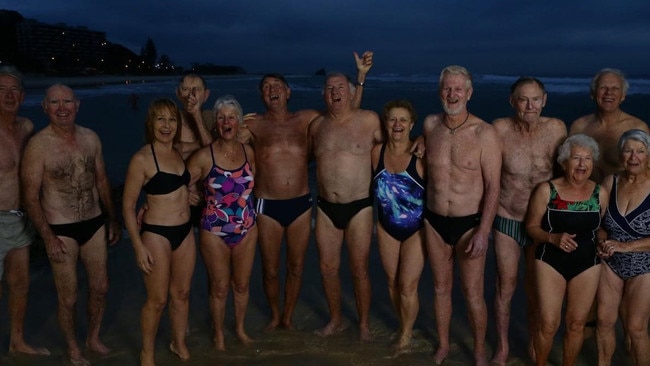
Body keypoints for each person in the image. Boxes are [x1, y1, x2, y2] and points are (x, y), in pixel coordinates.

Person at [241, 51, 373, 332]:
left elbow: (347, 117)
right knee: (272, 269)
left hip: (303, 203)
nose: (272, 90)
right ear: (261, 95)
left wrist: (360, 78)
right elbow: (224, 144)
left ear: (288, 92)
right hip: (269, 204)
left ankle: (293, 318)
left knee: (302, 268)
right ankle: (278, 315)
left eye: (277, 86)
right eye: (266, 87)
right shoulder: (252, 124)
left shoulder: (308, 119)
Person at [21, 84, 120, 366]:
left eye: (67, 101)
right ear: (45, 107)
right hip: (60, 229)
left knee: (100, 287)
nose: (62, 107)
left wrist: (112, 219)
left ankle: (92, 337)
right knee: (69, 297)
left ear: (77, 104)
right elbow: (30, 197)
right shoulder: (38, 146)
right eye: (55, 102)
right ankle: (73, 348)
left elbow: (101, 180)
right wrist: (48, 237)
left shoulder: (91, 138)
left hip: (94, 223)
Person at [422, 65, 501, 366]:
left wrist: (484, 231)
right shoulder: (430, 125)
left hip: (470, 224)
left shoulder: (485, 133)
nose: (452, 94)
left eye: (458, 89)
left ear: (469, 93)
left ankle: (479, 351)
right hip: (434, 219)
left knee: (472, 294)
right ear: (440, 91)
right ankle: (443, 346)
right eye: (447, 88)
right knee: (441, 288)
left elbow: (494, 185)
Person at [490, 77, 567, 365]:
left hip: (543, 224)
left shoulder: (557, 128)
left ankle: (536, 345)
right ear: (513, 102)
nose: (530, 105)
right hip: (507, 217)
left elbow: (568, 173)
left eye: (535, 99)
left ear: (544, 100)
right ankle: (502, 346)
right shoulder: (499, 129)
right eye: (523, 99)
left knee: (537, 288)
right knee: (505, 285)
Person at [308, 72, 383, 342]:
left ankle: (363, 324)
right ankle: (336, 320)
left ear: (352, 93)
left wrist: (420, 143)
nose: (335, 92)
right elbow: (297, 158)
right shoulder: (317, 126)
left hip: (359, 206)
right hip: (326, 208)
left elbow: (398, 142)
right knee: (327, 268)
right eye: (329, 88)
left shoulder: (369, 120)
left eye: (340, 87)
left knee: (359, 269)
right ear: (323, 95)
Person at [122, 99, 196, 365]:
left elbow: (210, 145)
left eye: (172, 120)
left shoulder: (180, 151)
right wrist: (137, 246)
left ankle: (178, 343)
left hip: (185, 232)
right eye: (160, 119)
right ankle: (147, 353)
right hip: (156, 234)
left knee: (182, 294)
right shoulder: (141, 158)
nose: (167, 125)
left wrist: (191, 191)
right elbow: (128, 207)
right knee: (157, 300)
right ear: (150, 123)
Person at [526, 134, 608, 366]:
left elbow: (601, 229)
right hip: (550, 261)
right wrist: (552, 237)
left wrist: (604, 242)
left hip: (587, 263)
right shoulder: (547, 190)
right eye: (576, 158)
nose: (582, 164)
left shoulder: (599, 193)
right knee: (548, 323)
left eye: (588, 159)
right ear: (564, 162)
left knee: (576, 324)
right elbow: (531, 227)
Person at [186, 95, 257, 350]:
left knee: (241, 284)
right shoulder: (204, 156)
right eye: (221, 117)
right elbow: (178, 183)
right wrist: (188, 192)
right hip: (214, 231)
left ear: (239, 122)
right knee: (219, 287)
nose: (226, 122)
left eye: (231, 117)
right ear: (215, 123)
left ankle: (239, 329)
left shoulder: (249, 152)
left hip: (247, 228)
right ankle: (218, 335)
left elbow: (252, 186)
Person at [0, 65, 50, 356]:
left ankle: (16, 341)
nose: (8, 95)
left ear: (22, 95)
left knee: (20, 284)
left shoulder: (28, 127)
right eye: (2, 90)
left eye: (14, 90)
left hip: (20, 219)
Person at [371, 99, 425, 353]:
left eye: (403, 119)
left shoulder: (420, 155)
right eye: (392, 119)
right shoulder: (377, 153)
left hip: (417, 230)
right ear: (385, 122)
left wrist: (425, 137)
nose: (397, 124)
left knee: (407, 285)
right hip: (385, 227)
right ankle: (405, 324)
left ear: (411, 124)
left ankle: (405, 334)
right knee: (392, 283)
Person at [596, 129, 650, 366]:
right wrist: (601, 241)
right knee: (604, 322)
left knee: (636, 328)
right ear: (620, 154)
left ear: (648, 155)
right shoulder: (610, 182)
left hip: (645, 265)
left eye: (640, 151)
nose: (633, 157)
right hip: (611, 263)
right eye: (628, 150)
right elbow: (598, 223)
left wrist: (626, 247)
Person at [569, 68, 649, 182]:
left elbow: (647, 169)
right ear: (593, 93)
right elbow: (567, 167)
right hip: (585, 196)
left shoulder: (637, 127)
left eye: (615, 88)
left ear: (623, 96)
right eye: (603, 88)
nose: (608, 93)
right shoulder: (579, 126)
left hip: (618, 195)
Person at [175, 73, 214, 160]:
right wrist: (198, 145)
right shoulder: (171, 118)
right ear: (178, 93)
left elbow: (213, 151)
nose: (191, 95)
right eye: (185, 89)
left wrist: (196, 113)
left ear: (206, 95)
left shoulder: (211, 117)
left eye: (197, 90)